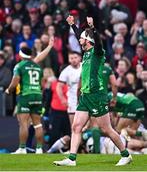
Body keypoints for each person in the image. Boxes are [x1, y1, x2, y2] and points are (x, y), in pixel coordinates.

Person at [53, 16, 132, 166]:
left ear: (89, 40)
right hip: (85, 96)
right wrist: (72, 25)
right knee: (76, 127)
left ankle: (125, 154)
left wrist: (93, 27)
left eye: (83, 38)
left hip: (97, 96)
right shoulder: (86, 53)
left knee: (106, 129)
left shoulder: (97, 52)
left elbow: (98, 41)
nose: (79, 40)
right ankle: (71, 159)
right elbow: (79, 36)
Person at [5, 37, 54, 154]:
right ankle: (39, 149)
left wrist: (8, 90)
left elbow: (15, 81)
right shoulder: (37, 66)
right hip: (37, 95)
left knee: (23, 123)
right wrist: (49, 46)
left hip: (25, 95)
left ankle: (22, 148)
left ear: (20, 55)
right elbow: (42, 82)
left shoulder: (19, 66)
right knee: (37, 124)